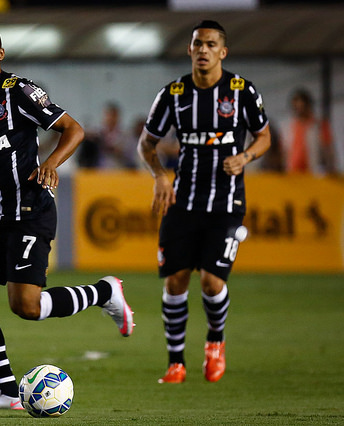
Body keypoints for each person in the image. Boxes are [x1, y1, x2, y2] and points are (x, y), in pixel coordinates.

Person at [0, 23, 134, 410]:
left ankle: (105, 292)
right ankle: (5, 390)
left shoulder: (19, 92)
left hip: (29, 211)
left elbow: (73, 129)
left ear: (0, 54)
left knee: (26, 306)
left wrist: (51, 162)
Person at [137, 20, 271, 384]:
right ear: (189, 49)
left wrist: (245, 158)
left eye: (211, 44)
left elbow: (264, 136)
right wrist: (159, 175)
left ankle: (215, 341)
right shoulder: (174, 94)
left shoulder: (241, 91)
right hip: (182, 203)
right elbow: (146, 144)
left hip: (226, 203)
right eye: (198, 44)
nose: (203, 50)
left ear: (222, 52)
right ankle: (176, 363)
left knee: (211, 282)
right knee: (175, 282)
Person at [281, 88, 334, 175]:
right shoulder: (288, 128)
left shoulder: (319, 126)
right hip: (292, 175)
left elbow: (329, 152)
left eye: (302, 107)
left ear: (308, 106)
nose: (299, 111)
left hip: (314, 174)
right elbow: (283, 153)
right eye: (296, 108)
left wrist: (331, 170)